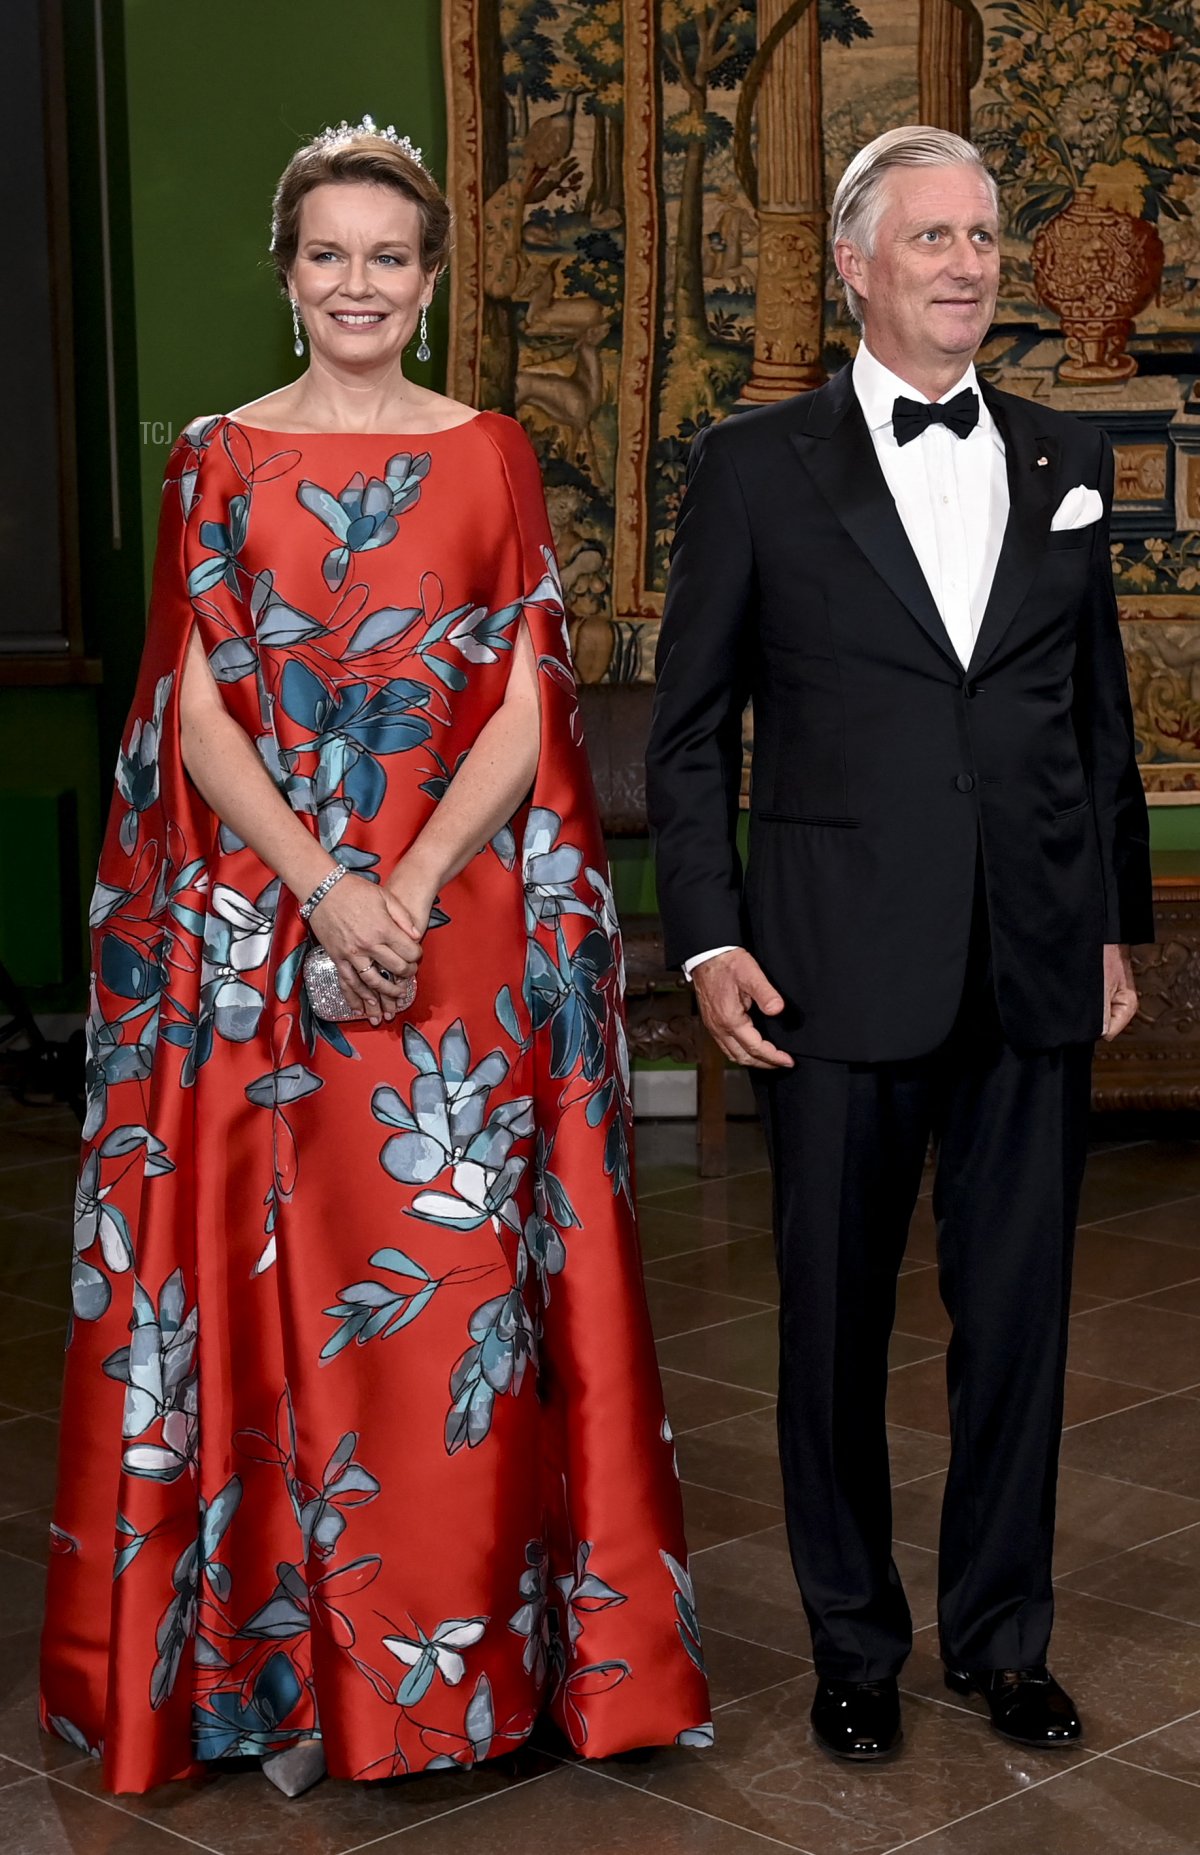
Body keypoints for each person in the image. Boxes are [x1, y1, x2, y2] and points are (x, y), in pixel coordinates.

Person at [40, 117, 711, 1796]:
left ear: (431, 281)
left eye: (388, 257)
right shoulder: (216, 458)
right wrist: (326, 891)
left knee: (453, 1305)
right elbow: (193, 713)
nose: (359, 283)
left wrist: (401, 886)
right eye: (328, 254)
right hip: (262, 943)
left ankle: (458, 1678)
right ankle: (274, 1674)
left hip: (458, 936)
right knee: (268, 1274)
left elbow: (529, 695)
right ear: (287, 273)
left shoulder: (493, 453)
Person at [647, 126, 1152, 1763]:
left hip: (1032, 954)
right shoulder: (753, 465)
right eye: (931, 236)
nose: (967, 262)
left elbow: (1095, 718)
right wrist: (709, 942)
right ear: (854, 265)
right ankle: (854, 1646)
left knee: (1018, 1323)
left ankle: (1005, 1640)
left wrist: (1112, 922)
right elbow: (689, 736)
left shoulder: (1066, 453)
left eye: (984, 235)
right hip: (830, 960)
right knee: (831, 1325)